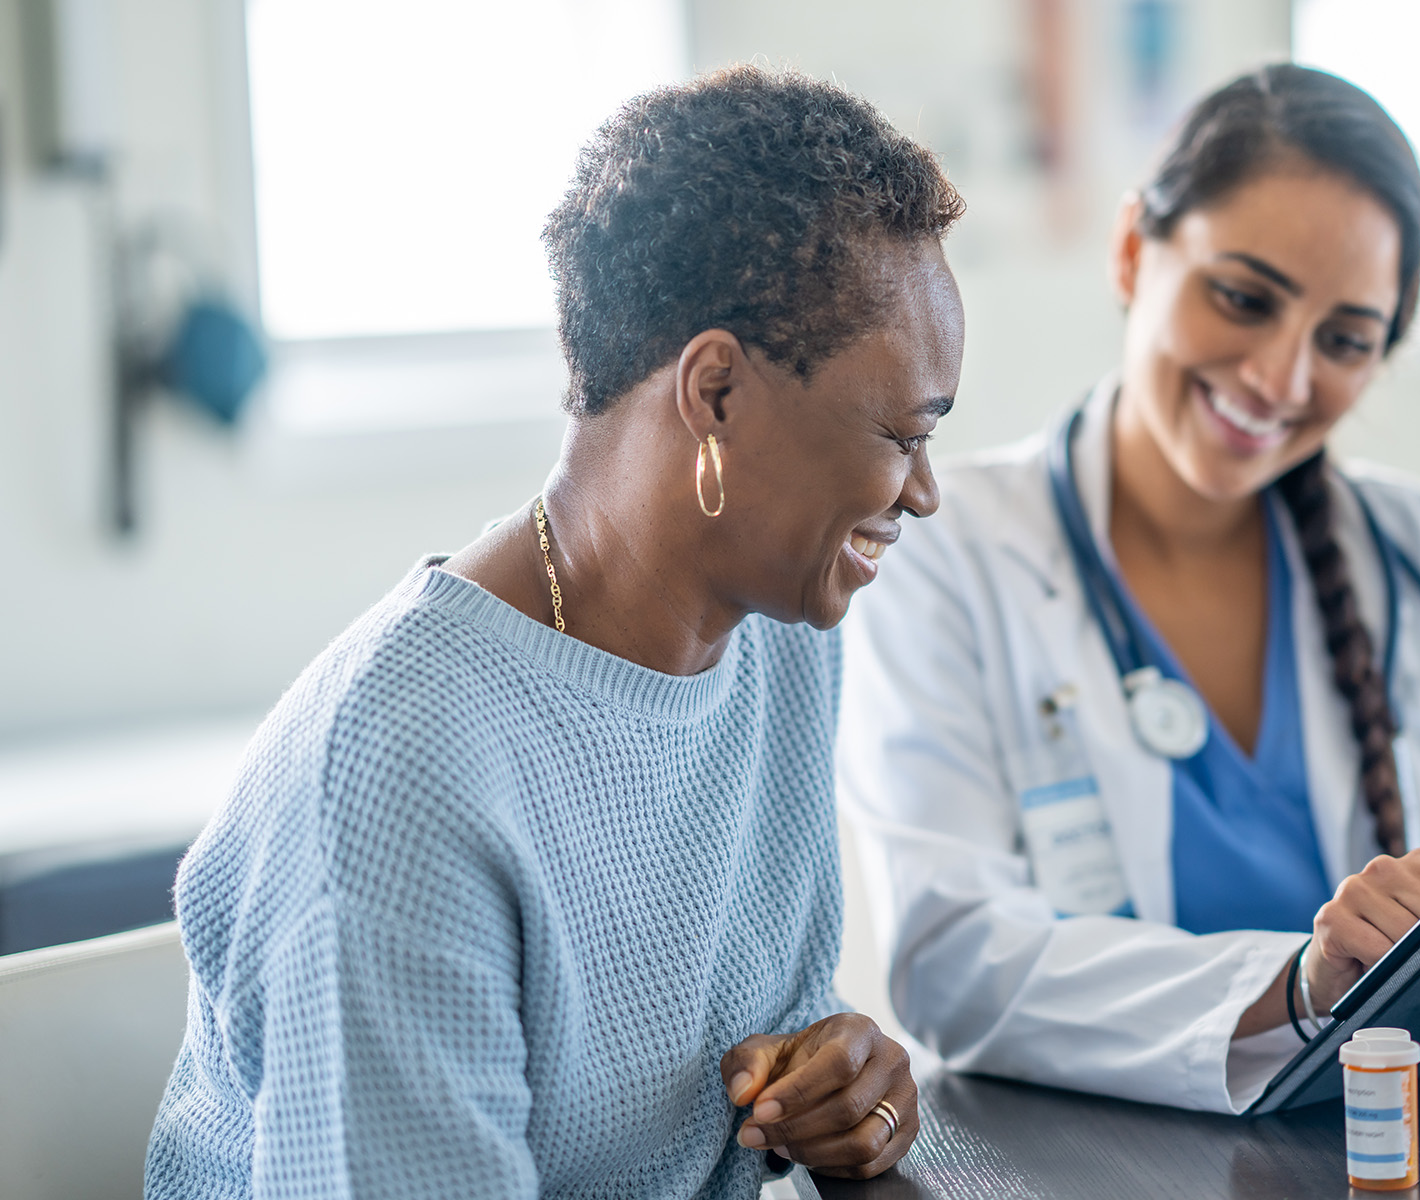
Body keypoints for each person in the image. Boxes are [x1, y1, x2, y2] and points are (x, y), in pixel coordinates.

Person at [835, 64, 1420, 1115]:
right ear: (1134, 250)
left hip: (1418, 1153)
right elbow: (954, 962)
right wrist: (1299, 986)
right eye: (1243, 298)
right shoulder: (948, 552)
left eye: (1343, 341)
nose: (1281, 380)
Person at [146, 67, 965, 1198]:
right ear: (715, 392)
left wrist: (833, 1081)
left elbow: (745, 1053)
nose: (922, 493)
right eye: (900, 433)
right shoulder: (407, 764)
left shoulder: (781, 628)